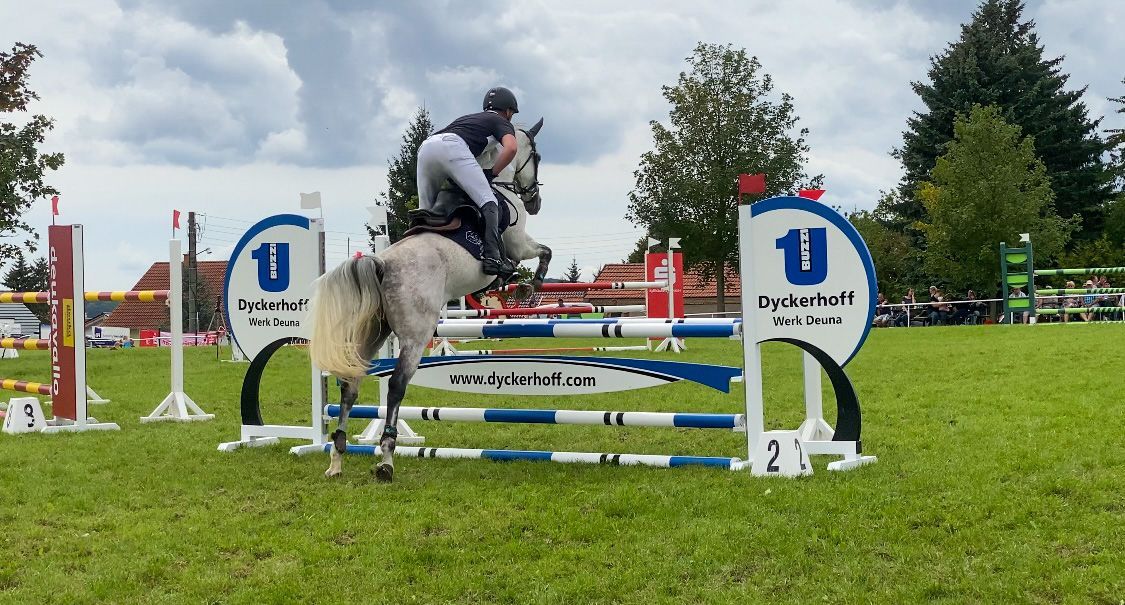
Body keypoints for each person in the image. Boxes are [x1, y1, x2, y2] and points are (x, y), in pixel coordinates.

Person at [416, 87, 521, 276]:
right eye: (511, 114)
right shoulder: (500, 121)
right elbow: (511, 148)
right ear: (507, 111)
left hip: (426, 147)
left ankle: (417, 252)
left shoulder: (468, 119)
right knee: (488, 200)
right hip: (453, 147)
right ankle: (493, 257)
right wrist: (493, 173)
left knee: (425, 209)